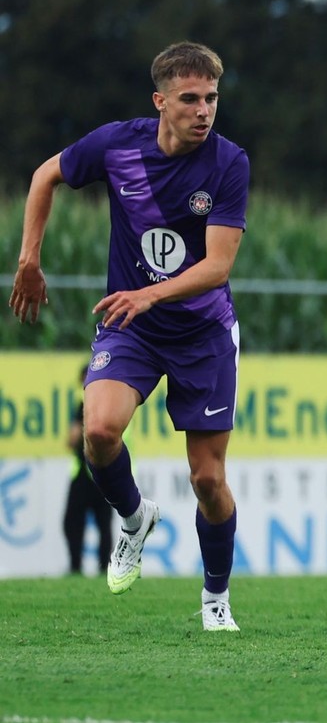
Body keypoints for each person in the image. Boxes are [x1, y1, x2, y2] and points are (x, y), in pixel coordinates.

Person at [9, 41, 249, 631]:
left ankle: (215, 600)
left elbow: (218, 265)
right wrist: (29, 260)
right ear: (160, 101)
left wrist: (147, 293)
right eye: (190, 99)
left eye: (212, 98)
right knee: (97, 430)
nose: (204, 110)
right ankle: (136, 517)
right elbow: (46, 176)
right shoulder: (118, 144)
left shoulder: (227, 162)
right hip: (133, 327)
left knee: (207, 479)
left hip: (203, 332)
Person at [64, 365, 113, 577]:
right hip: (108, 472)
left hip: (86, 474)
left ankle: (76, 567)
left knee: (73, 523)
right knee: (104, 524)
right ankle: (105, 569)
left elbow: (72, 439)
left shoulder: (85, 406)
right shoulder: (114, 404)